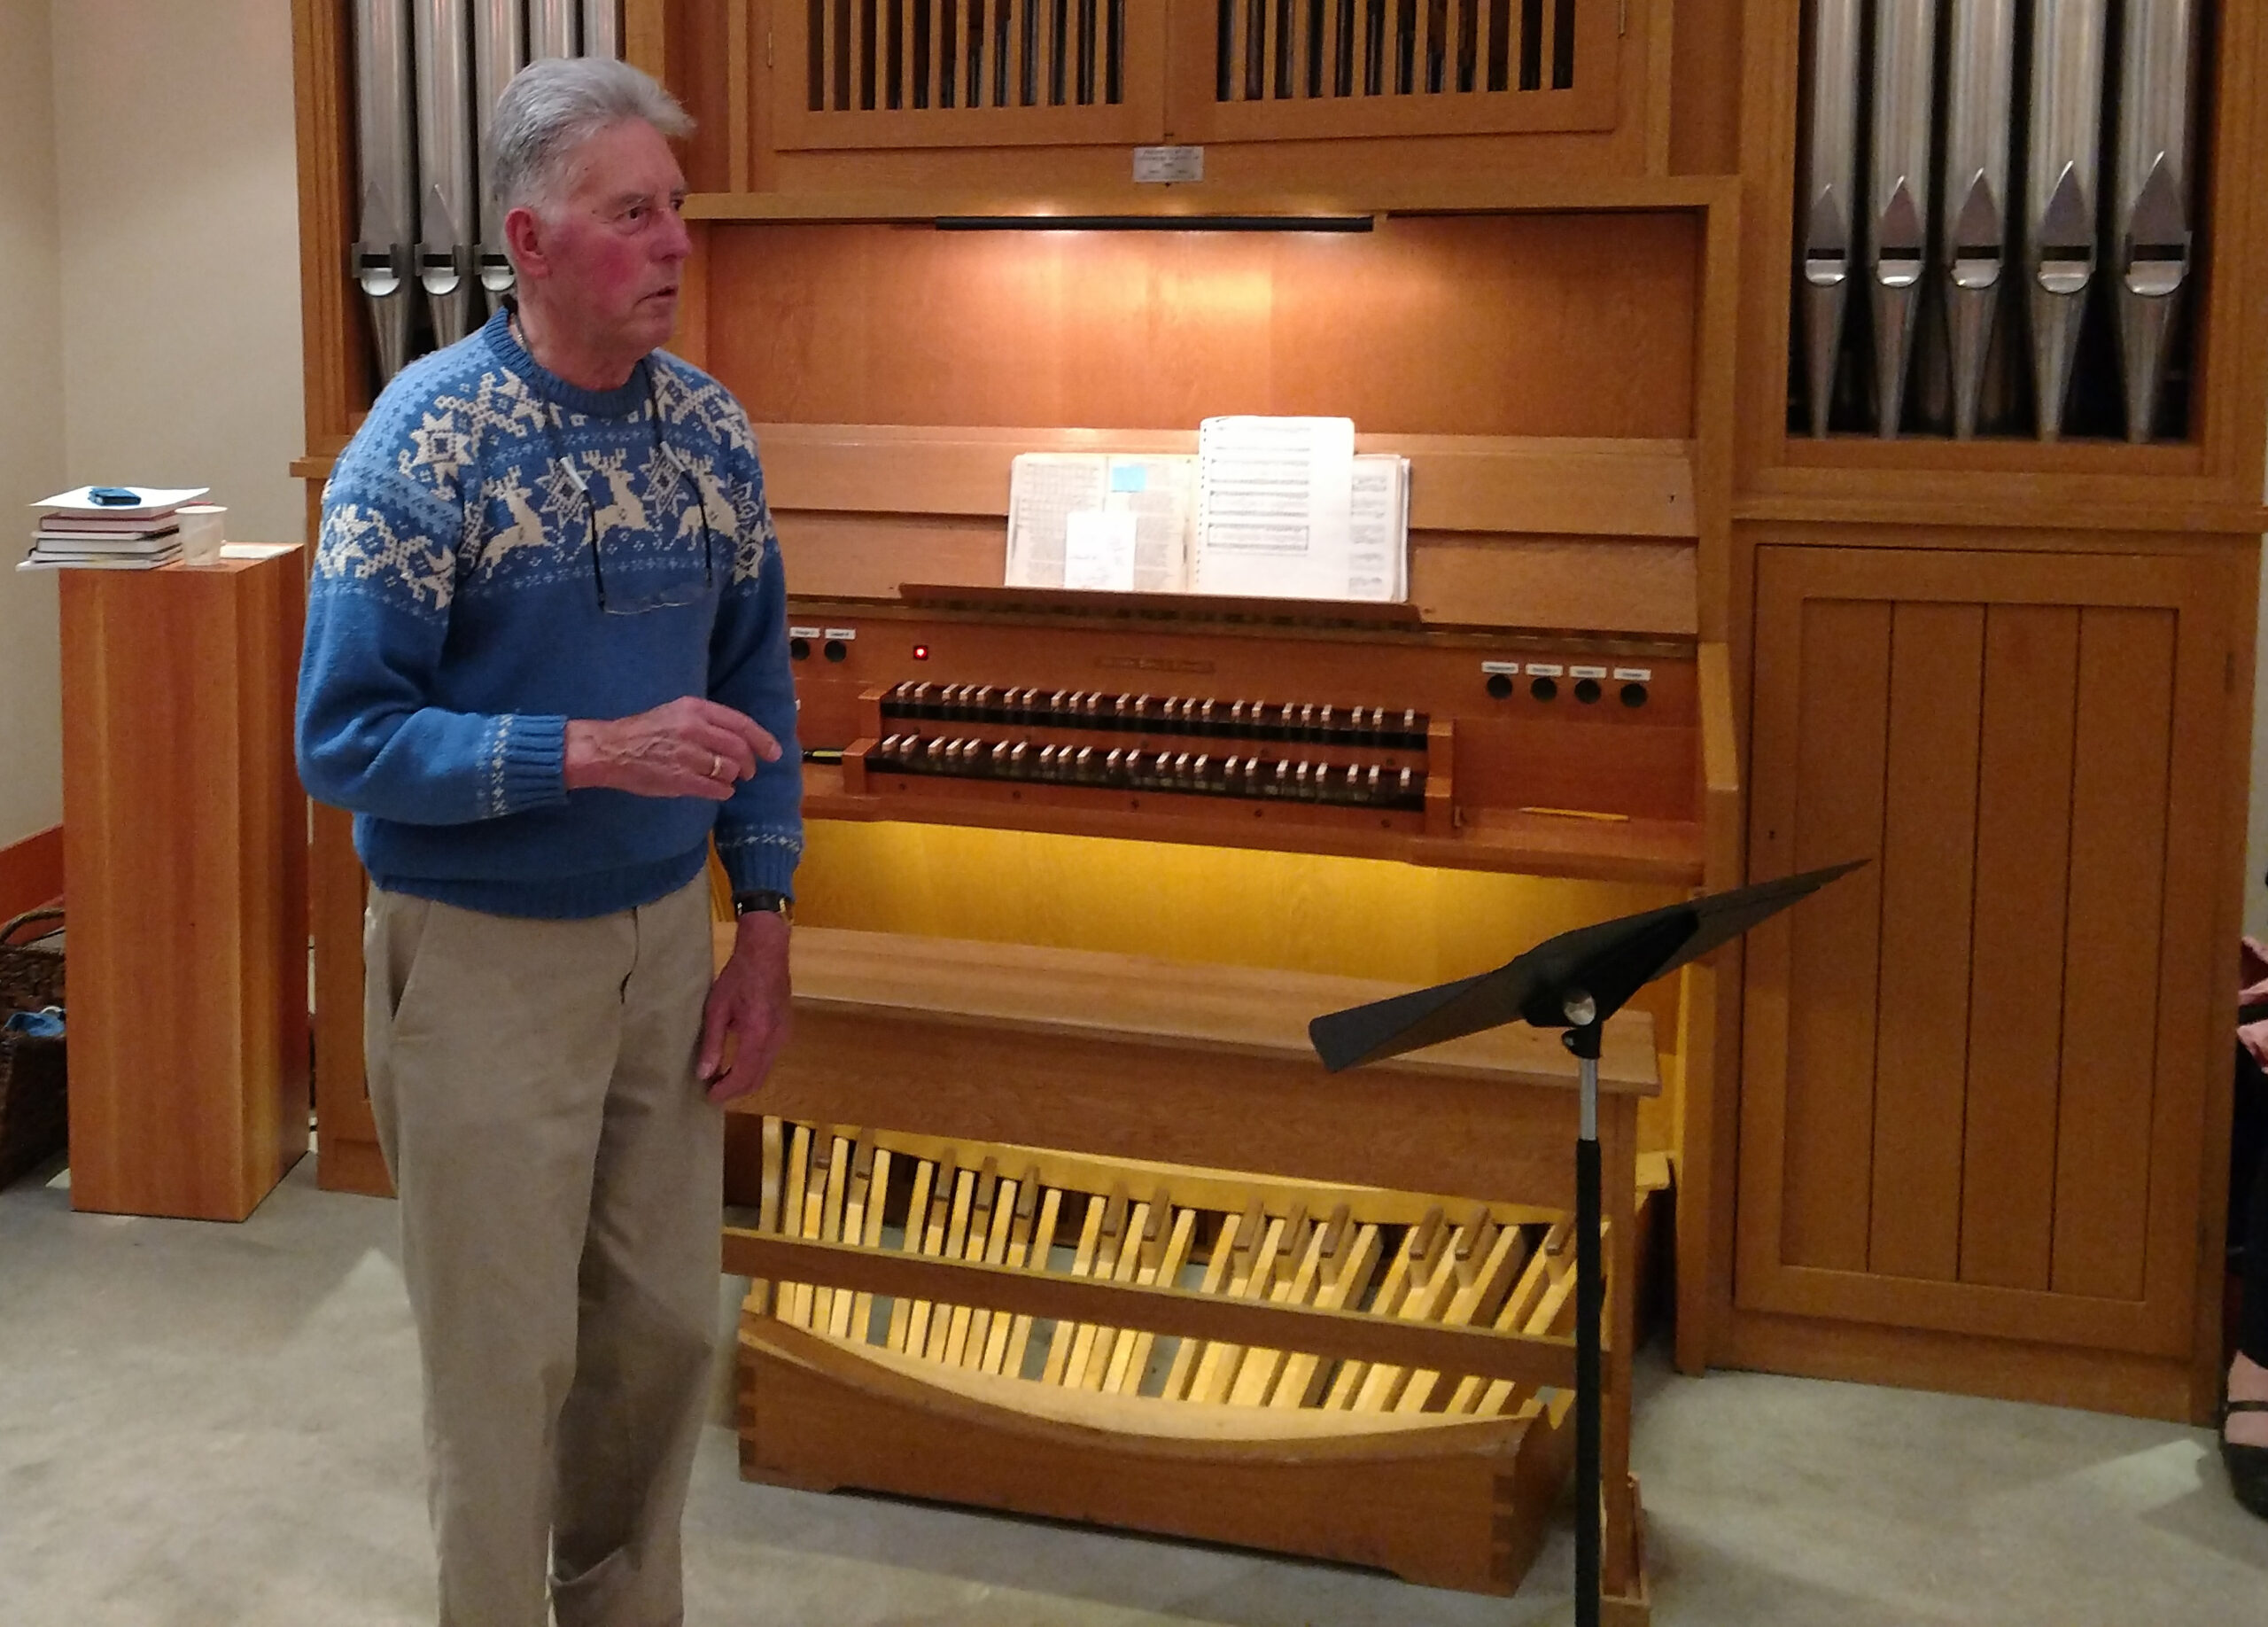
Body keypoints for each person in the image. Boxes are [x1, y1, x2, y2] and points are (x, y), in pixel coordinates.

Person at [295, 57, 800, 1626]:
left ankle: (619, 1607)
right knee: (505, 1359)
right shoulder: (420, 441)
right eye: (632, 213)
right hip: (481, 959)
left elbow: (753, 680)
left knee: (659, 1330)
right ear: (527, 237)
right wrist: (585, 750)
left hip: (664, 944)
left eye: (678, 210)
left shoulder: (709, 432)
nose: (674, 244)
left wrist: (761, 918)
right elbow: (345, 739)